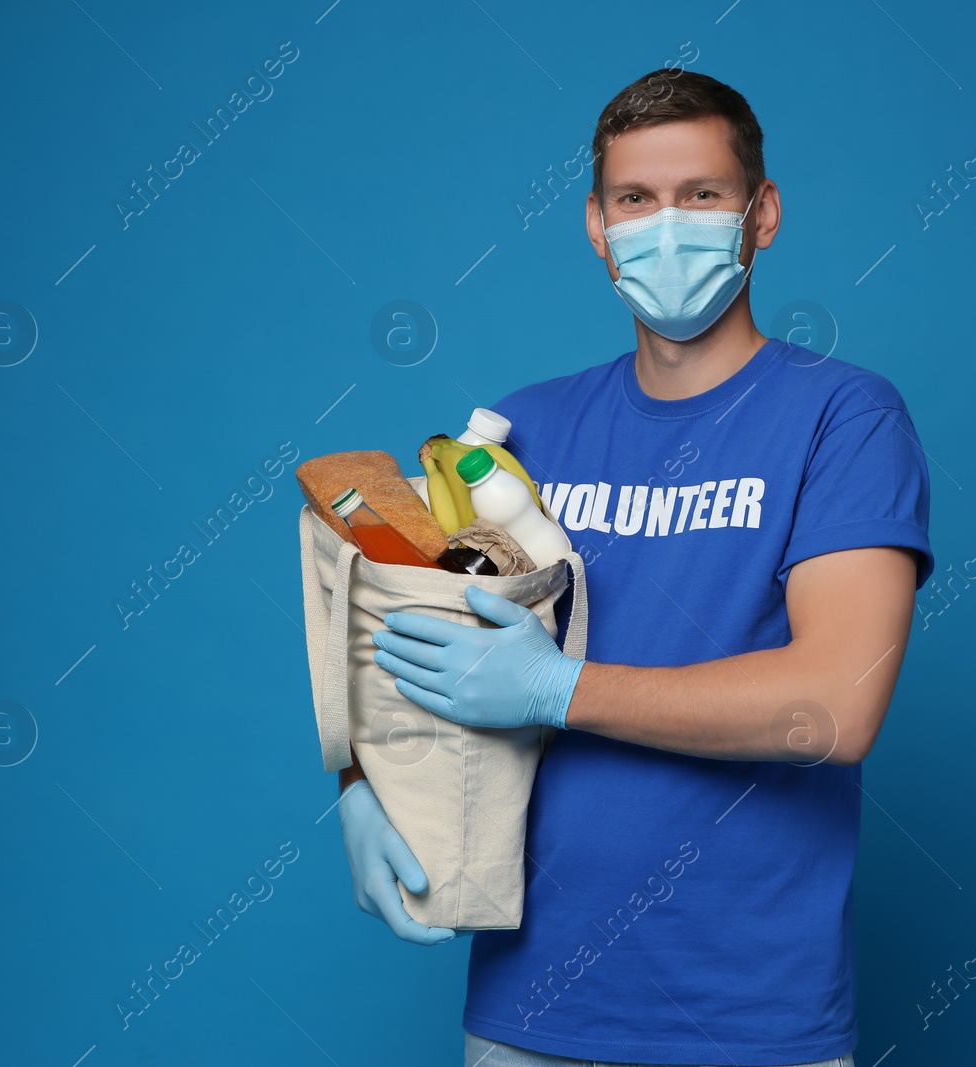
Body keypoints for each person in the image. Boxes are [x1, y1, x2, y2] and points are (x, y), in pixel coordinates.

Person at [337, 68, 936, 1067]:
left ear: (762, 213)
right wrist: (363, 776)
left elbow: (834, 705)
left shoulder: (842, 417)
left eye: (701, 195)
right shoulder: (521, 429)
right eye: (636, 199)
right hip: (529, 1004)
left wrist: (556, 687)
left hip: (749, 1014)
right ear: (596, 225)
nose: (668, 226)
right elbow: (430, 633)